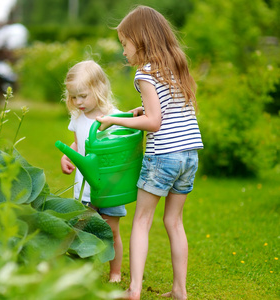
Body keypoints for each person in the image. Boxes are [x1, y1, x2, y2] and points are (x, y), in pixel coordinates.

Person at [96, 6, 204, 300]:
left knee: (142, 221)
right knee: (175, 222)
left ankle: (134, 289)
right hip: (189, 154)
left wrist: (115, 119)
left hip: (163, 155)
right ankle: (180, 291)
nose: (124, 52)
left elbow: (154, 123)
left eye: (124, 44)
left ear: (140, 40)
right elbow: (168, 112)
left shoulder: (145, 73)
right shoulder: (176, 66)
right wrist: (140, 112)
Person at [60, 60, 126, 283]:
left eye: (83, 96)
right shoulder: (77, 116)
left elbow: (123, 150)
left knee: (111, 230)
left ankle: (115, 272)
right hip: (84, 189)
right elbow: (78, 142)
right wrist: (67, 155)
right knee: (83, 230)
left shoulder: (113, 118)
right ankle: (83, 270)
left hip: (109, 188)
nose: (78, 102)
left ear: (98, 89)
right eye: (74, 97)